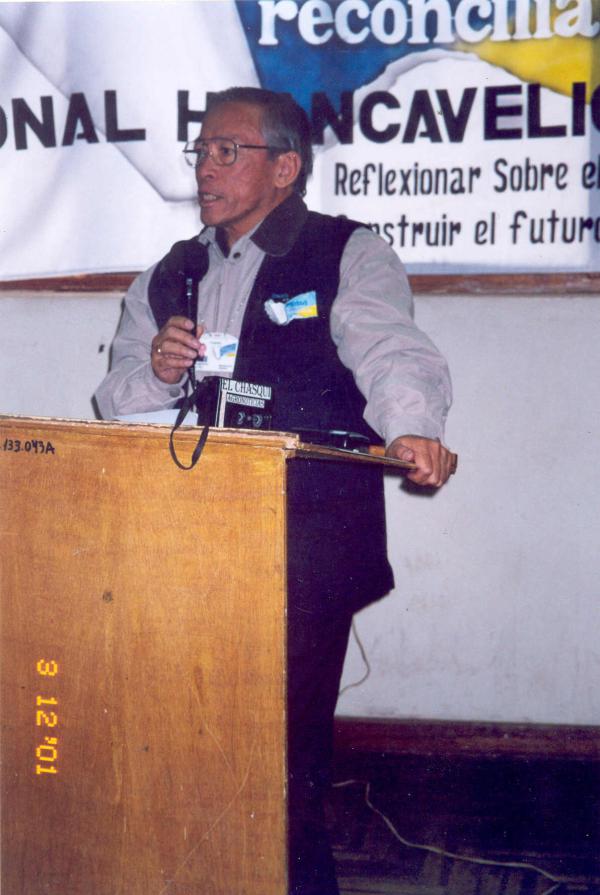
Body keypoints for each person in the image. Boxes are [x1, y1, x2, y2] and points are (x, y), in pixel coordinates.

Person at [95, 86, 454, 895]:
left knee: (284, 752)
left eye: (229, 151)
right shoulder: (172, 272)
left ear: (285, 167)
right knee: (186, 729)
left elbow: (392, 347)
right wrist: (154, 371)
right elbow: (113, 397)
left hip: (307, 538)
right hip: (189, 535)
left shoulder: (346, 252)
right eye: (201, 151)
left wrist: (412, 425)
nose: (206, 167)